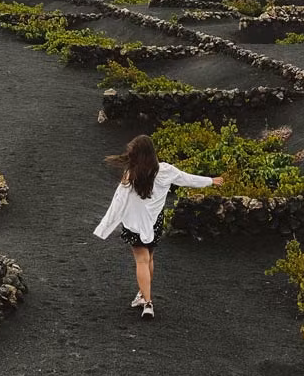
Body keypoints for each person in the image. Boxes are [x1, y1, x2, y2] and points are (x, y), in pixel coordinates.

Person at [94, 134, 223, 320]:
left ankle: (147, 302)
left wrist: (105, 226)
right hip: (155, 221)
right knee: (150, 257)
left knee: (141, 260)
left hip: (134, 224)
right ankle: (143, 296)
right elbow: (187, 179)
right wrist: (210, 181)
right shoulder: (166, 171)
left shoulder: (130, 175)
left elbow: (117, 203)